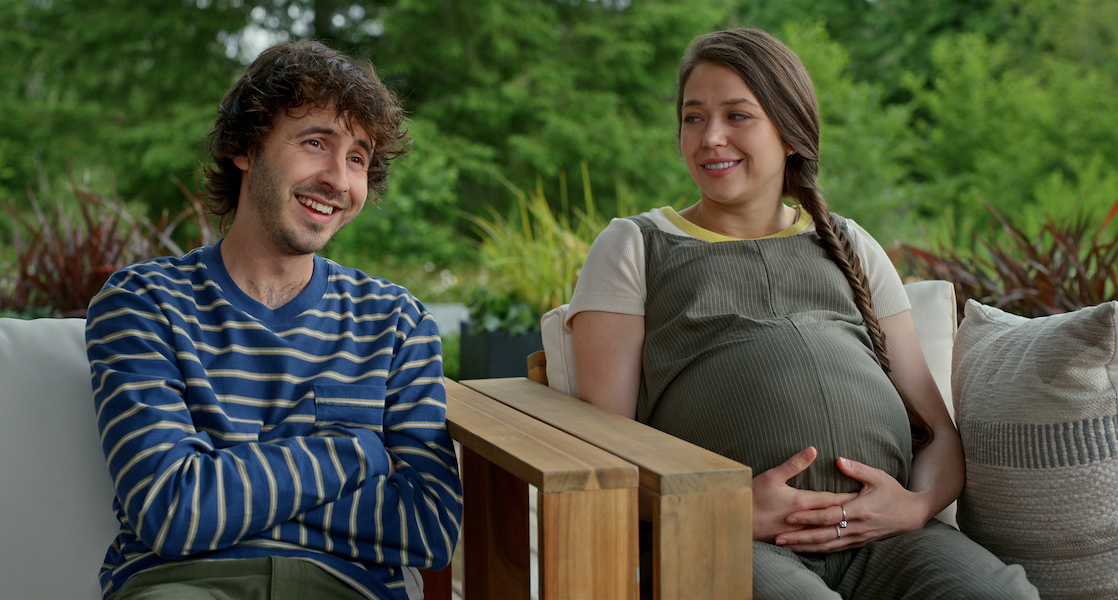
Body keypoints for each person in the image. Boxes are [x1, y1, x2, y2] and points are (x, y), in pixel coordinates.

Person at [567, 28, 1038, 599]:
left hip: (885, 539)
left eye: (737, 116)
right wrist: (724, 512)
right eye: (694, 118)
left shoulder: (848, 244)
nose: (711, 137)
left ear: (789, 132)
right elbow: (602, 453)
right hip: (728, 540)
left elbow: (938, 432)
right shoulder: (636, 246)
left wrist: (914, 507)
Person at [85, 41, 463, 600]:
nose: (339, 179)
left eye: (358, 157)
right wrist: (358, 451)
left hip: (346, 590)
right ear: (245, 147)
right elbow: (173, 513)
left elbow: (430, 526)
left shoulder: (396, 322)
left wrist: (230, 488)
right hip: (183, 586)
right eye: (316, 143)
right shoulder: (143, 303)